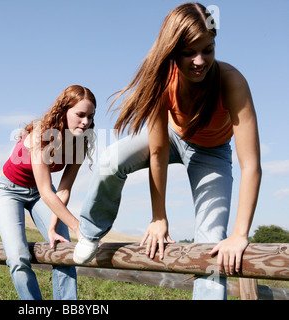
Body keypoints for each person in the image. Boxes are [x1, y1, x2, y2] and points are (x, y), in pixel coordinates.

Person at [73, 2, 261, 300]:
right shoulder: (163, 79)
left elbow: (251, 165)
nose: (200, 61)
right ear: (173, 50)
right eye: (189, 52)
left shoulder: (231, 81)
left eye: (208, 50)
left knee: (211, 242)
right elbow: (158, 151)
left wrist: (239, 235)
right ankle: (91, 231)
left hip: (211, 153)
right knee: (110, 160)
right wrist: (158, 218)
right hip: (172, 140)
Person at [0, 85, 96, 300]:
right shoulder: (41, 133)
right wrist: (77, 227)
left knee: (63, 251)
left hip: (42, 195)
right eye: (80, 115)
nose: (85, 122)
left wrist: (52, 227)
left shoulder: (81, 143)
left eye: (90, 116)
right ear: (64, 111)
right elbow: (46, 190)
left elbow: (64, 189)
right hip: (9, 191)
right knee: (18, 258)